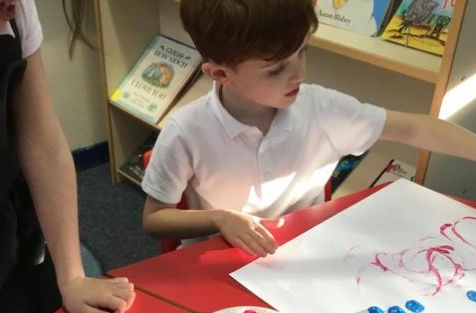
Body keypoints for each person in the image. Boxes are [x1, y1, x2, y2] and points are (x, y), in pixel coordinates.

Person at [142, 0, 476, 257]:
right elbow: (155, 219)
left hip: (303, 254)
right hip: (217, 260)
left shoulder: (322, 109)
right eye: (276, 70)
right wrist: (220, 219)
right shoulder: (186, 130)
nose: (298, 74)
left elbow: (414, 129)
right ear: (220, 74)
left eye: (302, 52)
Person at [0, 0, 135, 313]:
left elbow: (42, 141)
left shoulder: (13, 9)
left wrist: (73, 276)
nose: (14, 5)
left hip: (6, 226)